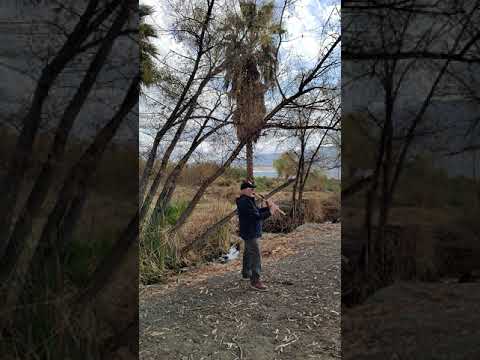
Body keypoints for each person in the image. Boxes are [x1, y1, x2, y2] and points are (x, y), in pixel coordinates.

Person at [236, 179, 280, 291]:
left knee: (248, 252)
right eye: (251, 188)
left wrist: (270, 207)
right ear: (245, 190)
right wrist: (271, 211)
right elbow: (257, 217)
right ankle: (255, 281)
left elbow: (257, 211)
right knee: (255, 255)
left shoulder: (248, 200)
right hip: (250, 232)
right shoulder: (244, 201)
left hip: (249, 231)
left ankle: (246, 273)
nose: (253, 190)